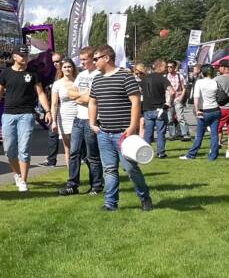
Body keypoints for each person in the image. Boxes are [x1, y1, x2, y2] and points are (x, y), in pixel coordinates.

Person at [89, 45, 153, 211]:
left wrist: (132, 127)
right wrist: (92, 123)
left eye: (96, 58)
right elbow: (93, 102)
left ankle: (144, 196)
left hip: (124, 134)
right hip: (103, 133)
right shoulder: (97, 79)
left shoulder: (125, 76)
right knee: (109, 170)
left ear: (106, 58)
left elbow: (135, 101)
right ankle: (110, 203)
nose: (93, 62)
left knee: (130, 169)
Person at [0, 45, 51, 193]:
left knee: (24, 149)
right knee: (9, 151)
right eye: (22, 55)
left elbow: (40, 94)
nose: (25, 57)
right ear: (14, 57)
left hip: (26, 115)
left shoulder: (33, 73)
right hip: (8, 115)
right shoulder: (6, 73)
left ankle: (23, 181)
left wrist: (47, 111)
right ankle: (17, 174)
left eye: (26, 55)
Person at [59, 46, 103, 196]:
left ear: (92, 59)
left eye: (85, 59)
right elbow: (70, 93)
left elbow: (91, 98)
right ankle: (72, 184)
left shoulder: (99, 75)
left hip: (92, 120)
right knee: (74, 153)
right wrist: (82, 97)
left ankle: (96, 185)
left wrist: (81, 97)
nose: (82, 62)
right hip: (78, 119)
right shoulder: (82, 75)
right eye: (81, 59)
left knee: (92, 155)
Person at [181, 64, 221, 160]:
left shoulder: (199, 82)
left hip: (204, 110)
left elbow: (196, 97)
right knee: (214, 134)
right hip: (215, 109)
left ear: (202, 72)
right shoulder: (215, 82)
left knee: (199, 135)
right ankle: (212, 156)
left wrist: (197, 109)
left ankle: (191, 154)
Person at [141, 59, 173, 158]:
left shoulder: (145, 79)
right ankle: (160, 152)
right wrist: (168, 104)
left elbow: (140, 92)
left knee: (148, 133)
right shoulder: (162, 79)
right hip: (160, 109)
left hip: (147, 109)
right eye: (165, 67)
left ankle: (146, 153)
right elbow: (172, 91)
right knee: (160, 132)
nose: (167, 69)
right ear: (159, 67)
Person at [50, 58, 78, 167]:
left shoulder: (78, 81)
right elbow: (54, 104)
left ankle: (78, 168)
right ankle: (71, 172)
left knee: (78, 146)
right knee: (68, 148)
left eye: (69, 66)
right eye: (65, 67)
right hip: (64, 117)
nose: (67, 69)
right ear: (61, 69)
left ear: (73, 68)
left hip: (79, 115)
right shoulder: (57, 84)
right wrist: (53, 121)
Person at [40, 52, 63, 167]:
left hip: (65, 108)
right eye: (53, 62)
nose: (55, 64)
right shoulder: (49, 74)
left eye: (58, 61)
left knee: (70, 135)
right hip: (52, 107)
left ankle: (83, 156)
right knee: (52, 133)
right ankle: (51, 160)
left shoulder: (66, 72)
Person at [165, 60, 191, 141]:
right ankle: (172, 135)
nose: (169, 68)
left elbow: (184, 88)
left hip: (177, 99)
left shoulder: (180, 76)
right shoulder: (166, 77)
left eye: (171, 67)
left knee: (180, 117)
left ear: (175, 67)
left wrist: (181, 97)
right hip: (169, 100)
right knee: (170, 118)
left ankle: (185, 134)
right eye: (168, 67)